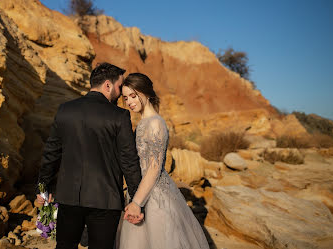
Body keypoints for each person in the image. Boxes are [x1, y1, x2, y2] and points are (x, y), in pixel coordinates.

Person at [36, 63, 144, 249]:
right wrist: (136, 200)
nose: (120, 95)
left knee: (64, 245)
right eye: (119, 87)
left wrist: (43, 188)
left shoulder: (65, 110)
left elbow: (51, 153)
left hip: (68, 196)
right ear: (108, 86)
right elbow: (129, 161)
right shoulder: (120, 116)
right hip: (106, 199)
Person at [117, 73, 210, 249]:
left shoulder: (155, 124)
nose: (129, 101)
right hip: (140, 189)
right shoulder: (143, 122)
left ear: (146, 93)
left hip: (155, 195)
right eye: (126, 97)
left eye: (133, 95)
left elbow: (154, 168)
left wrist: (137, 202)